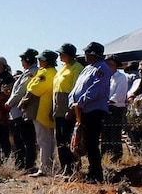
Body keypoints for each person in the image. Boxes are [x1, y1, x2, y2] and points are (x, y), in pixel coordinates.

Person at [69, 42, 111, 183]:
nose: (85, 54)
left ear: (93, 54)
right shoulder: (87, 68)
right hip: (81, 110)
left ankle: (96, 175)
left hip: (94, 110)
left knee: (92, 143)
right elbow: (77, 87)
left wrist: (80, 102)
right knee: (82, 142)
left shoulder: (102, 68)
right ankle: (89, 172)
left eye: (87, 52)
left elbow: (95, 90)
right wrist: (72, 102)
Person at [19, 50, 57, 177]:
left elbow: (33, 89)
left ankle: (44, 168)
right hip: (48, 109)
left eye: (41, 59)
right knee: (49, 140)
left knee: (43, 140)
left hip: (42, 110)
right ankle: (48, 166)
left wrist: (23, 102)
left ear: (47, 61)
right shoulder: (53, 72)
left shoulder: (46, 73)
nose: (39, 61)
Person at [53, 43, 84, 175]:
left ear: (69, 54)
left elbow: (76, 90)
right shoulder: (63, 68)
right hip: (58, 108)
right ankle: (64, 166)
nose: (60, 56)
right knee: (60, 139)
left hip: (68, 109)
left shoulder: (77, 68)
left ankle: (72, 167)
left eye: (62, 53)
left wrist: (71, 109)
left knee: (68, 139)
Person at [6, 48, 39, 170]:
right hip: (16, 112)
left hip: (22, 111)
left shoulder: (33, 72)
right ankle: (21, 163)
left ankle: (28, 164)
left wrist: (9, 102)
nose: (21, 61)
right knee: (19, 139)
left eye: (23, 59)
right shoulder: (27, 72)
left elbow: (21, 91)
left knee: (27, 139)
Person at [104, 54, 128, 161]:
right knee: (105, 133)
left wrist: (110, 101)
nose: (108, 66)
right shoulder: (106, 77)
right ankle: (105, 155)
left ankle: (116, 157)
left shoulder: (121, 77)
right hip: (105, 107)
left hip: (115, 108)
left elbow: (120, 94)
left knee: (115, 133)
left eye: (110, 64)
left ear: (115, 65)